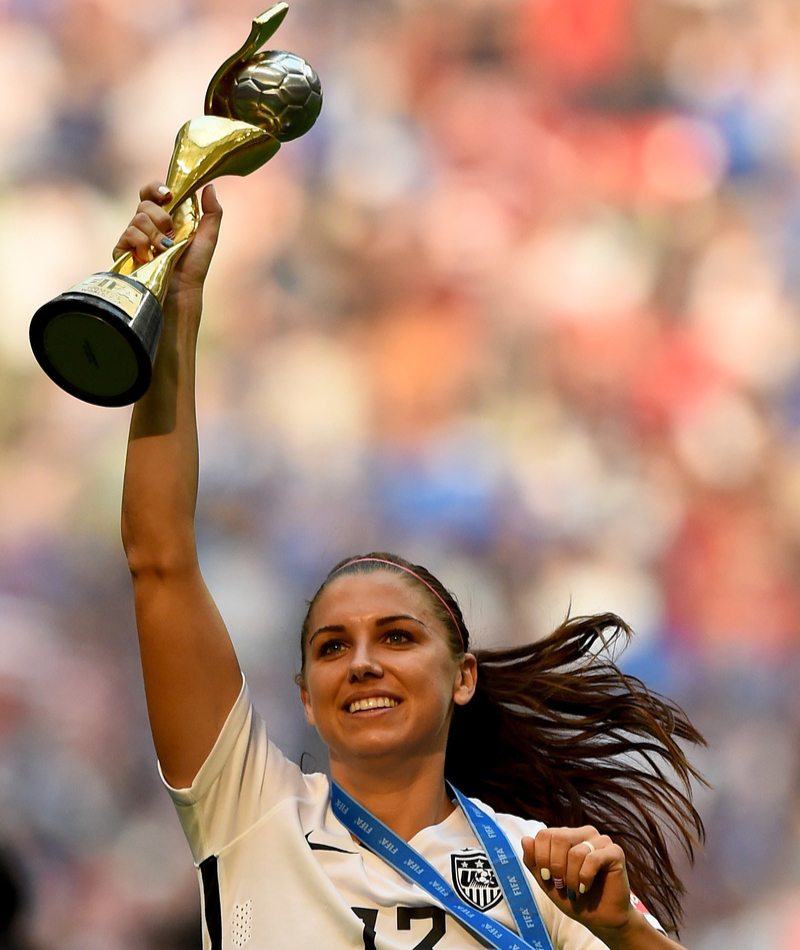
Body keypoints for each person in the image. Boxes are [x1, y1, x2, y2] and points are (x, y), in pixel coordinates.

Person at [117, 182, 705, 950]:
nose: (361, 663)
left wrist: (622, 930)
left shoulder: (540, 868)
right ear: (304, 695)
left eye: (397, 637)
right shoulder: (250, 814)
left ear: (462, 676)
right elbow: (160, 560)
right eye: (332, 647)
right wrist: (176, 306)